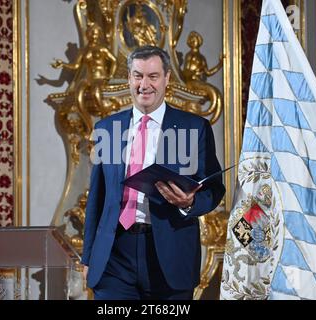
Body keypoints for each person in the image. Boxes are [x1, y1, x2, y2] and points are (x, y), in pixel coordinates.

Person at [81, 45, 225, 300]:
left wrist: (190, 202)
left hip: (169, 255)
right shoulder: (107, 128)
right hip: (115, 256)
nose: (144, 84)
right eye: (137, 76)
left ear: (167, 78)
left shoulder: (195, 128)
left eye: (153, 76)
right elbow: (98, 199)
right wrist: (88, 256)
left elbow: (214, 190)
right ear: (129, 78)